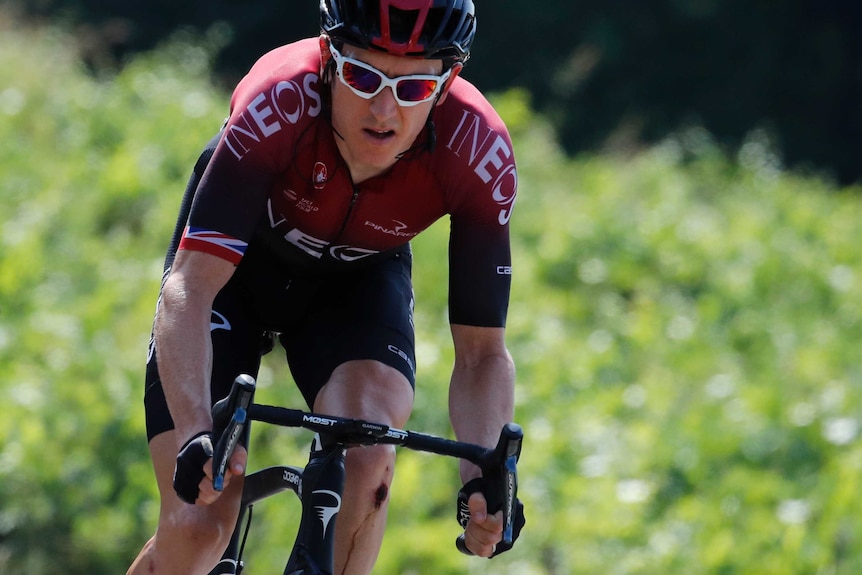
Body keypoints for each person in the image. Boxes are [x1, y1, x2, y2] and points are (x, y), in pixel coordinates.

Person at [126, 1, 523, 573]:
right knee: (197, 522)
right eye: (364, 76)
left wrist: (484, 478)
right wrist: (194, 431)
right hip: (234, 276)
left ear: (448, 83)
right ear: (328, 59)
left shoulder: (477, 150)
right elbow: (190, 288)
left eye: (413, 88)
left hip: (354, 284)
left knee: (368, 460)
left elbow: (483, 352)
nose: (384, 108)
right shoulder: (277, 100)